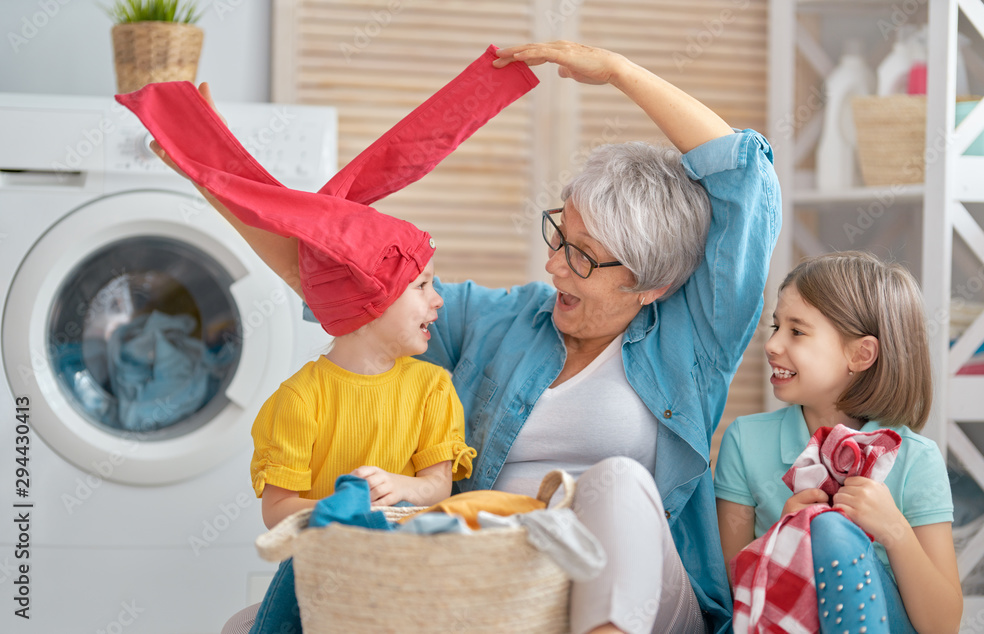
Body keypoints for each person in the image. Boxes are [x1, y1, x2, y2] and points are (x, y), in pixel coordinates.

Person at [158, 41, 779, 634]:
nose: (553, 265)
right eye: (557, 236)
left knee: (615, 481)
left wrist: (618, 71)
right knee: (248, 624)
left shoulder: (693, 339)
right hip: (497, 587)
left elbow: (744, 179)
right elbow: (337, 280)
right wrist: (209, 172)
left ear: (651, 285)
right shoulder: (500, 322)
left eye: (583, 257)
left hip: (642, 598)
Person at [714, 251, 963, 633]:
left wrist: (892, 528)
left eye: (796, 331)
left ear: (860, 354)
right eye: (775, 326)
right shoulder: (745, 441)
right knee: (817, 528)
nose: (772, 344)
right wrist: (785, 537)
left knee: (827, 528)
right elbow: (728, 593)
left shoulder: (916, 459)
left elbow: (943, 625)